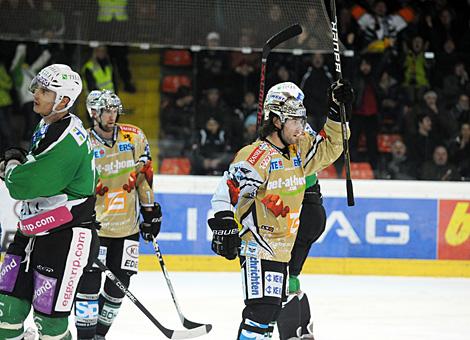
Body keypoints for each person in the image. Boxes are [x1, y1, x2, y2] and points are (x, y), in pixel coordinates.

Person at [207, 80, 353, 339]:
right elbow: (224, 193)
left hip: (281, 252)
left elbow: (331, 146)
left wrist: (335, 110)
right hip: (258, 248)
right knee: (259, 314)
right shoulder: (256, 157)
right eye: (294, 121)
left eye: (302, 120)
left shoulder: (298, 153)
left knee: (270, 316)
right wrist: (225, 224)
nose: (301, 128)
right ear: (277, 122)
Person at [0, 64, 98, 340]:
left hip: (63, 238)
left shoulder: (68, 139)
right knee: (5, 310)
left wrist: (12, 167)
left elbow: (24, 185)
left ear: (64, 101)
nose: (36, 94)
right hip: (31, 231)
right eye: (38, 88)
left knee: (50, 325)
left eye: (44, 90)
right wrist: (20, 162)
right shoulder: (48, 123)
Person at [75, 90, 162, 340]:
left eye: (114, 110)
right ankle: (85, 335)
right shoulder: (83, 143)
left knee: (118, 288)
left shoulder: (133, 137)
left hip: (128, 230)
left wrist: (150, 212)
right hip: (95, 229)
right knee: (88, 287)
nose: (112, 115)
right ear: (94, 113)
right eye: (106, 111)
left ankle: (100, 335)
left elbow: (144, 176)